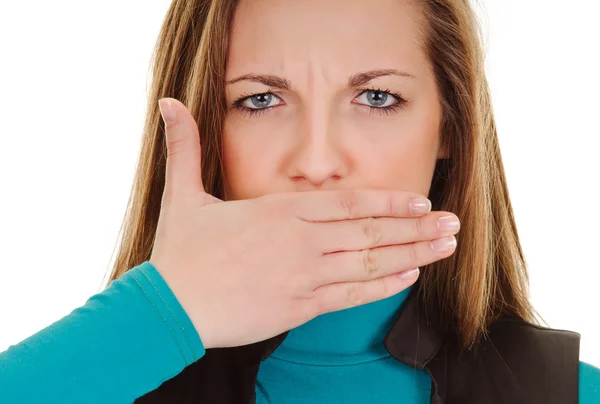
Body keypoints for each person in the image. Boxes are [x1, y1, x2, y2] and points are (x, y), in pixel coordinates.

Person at [1, 0, 599, 402]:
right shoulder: (112, 370)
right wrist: (160, 312)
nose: (316, 162)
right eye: (260, 100)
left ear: (450, 127)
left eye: (377, 97)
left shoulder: (568, 392)